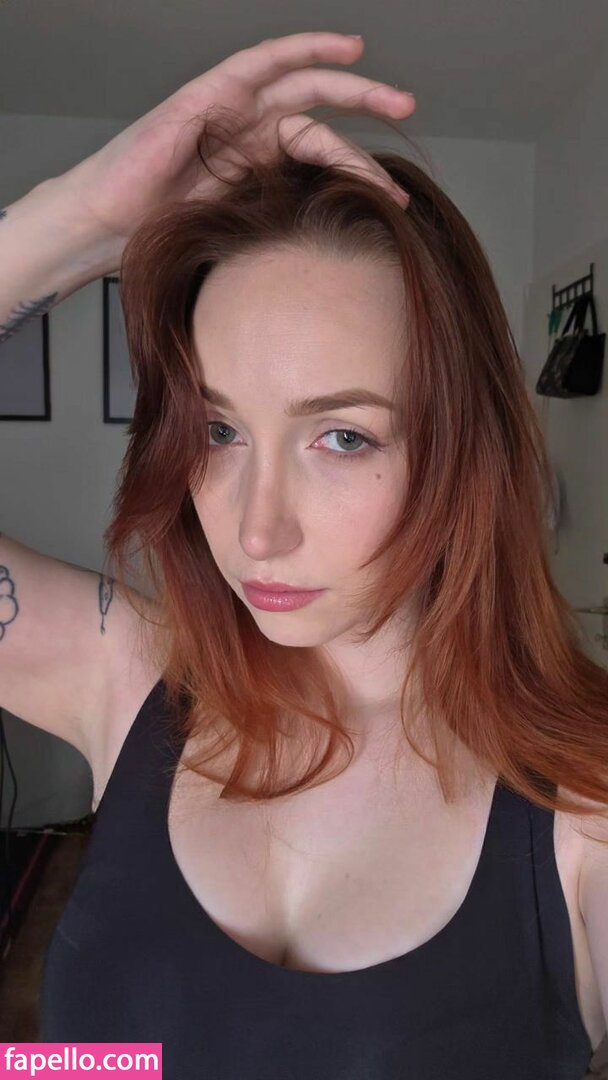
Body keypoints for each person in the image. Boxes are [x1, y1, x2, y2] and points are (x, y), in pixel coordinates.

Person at [1, 30, 607, 1080]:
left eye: (343, 437)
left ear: (464, 452)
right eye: (219, 430)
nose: (255, 529)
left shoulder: (581, 814)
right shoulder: (133, 680)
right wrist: (72, 226)